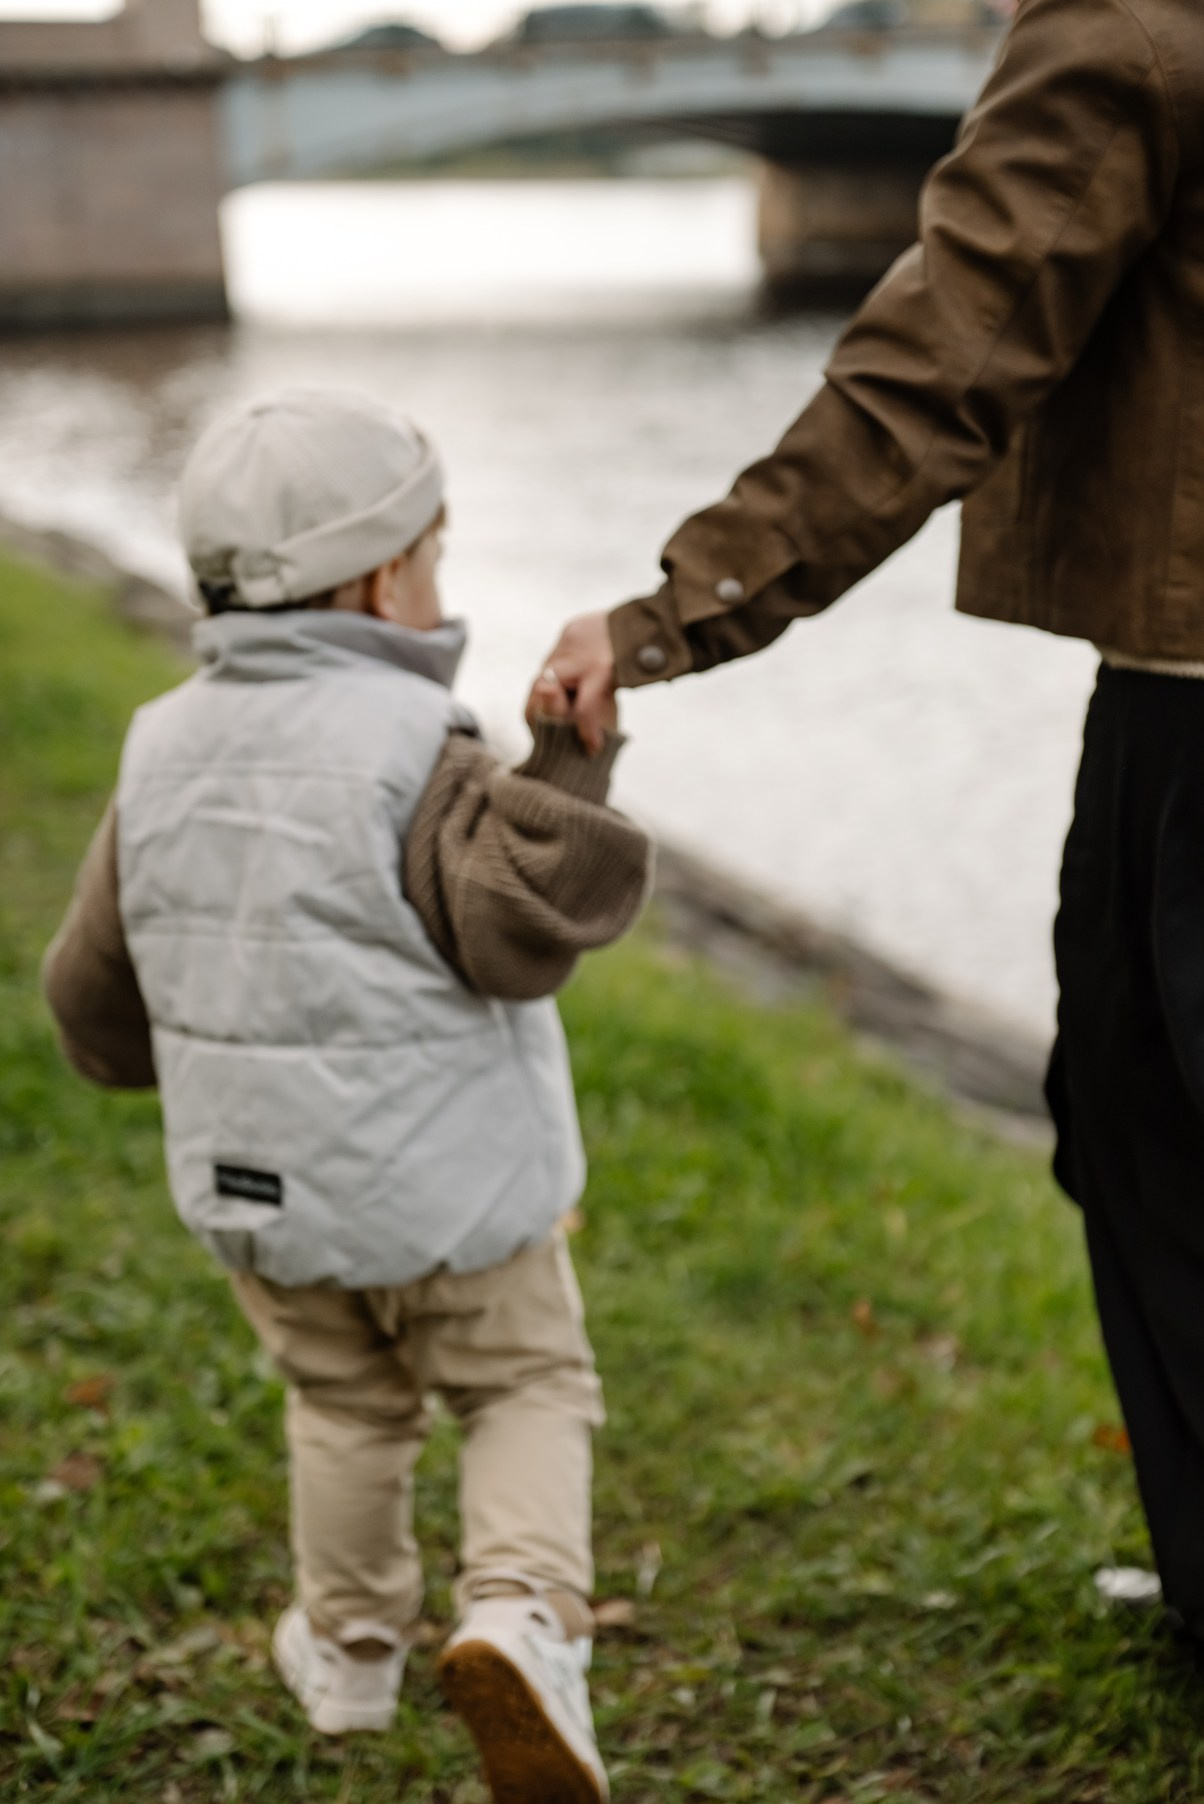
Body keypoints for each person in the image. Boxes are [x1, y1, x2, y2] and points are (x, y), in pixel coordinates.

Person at [538, 0, 1204, 1638]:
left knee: (1148, 1128)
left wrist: (666, 615)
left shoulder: (1129, 30)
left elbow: (942, 359)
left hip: (1196, 697)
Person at [43, 389, 652, 1804]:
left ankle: (354, 1648)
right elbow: (518, 932)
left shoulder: (159, 750)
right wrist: (568, 766)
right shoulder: (417, 751)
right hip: (458, 1201)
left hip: (263, 1191)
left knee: (340, 1403)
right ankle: (520, 1616)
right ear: (387, 578)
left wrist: (151, 1056)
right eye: (434, 558)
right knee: (521, 1386)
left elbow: (92, 990)